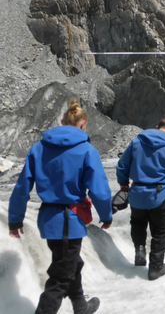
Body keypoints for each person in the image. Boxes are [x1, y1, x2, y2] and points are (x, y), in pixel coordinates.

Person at [8, 100, 113, 314]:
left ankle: (81, 307)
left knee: (71, 264)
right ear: (83, 125)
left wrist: (15, 219)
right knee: (61, 277)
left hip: (49, 219)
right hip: (70, 222)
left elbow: (22, 187)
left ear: (62, 121)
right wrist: (106, 215)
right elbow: (99, 190)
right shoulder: (87, 150)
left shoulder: (38, 148)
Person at [116, 115, 165, 281]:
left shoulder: (136, 142)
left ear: (157, 127)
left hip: (137, 192)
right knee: (160, 232)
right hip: (159, 194)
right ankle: (155, 267)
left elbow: (122, 165)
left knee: (138, 223)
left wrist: (123, 183)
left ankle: (140, 251)